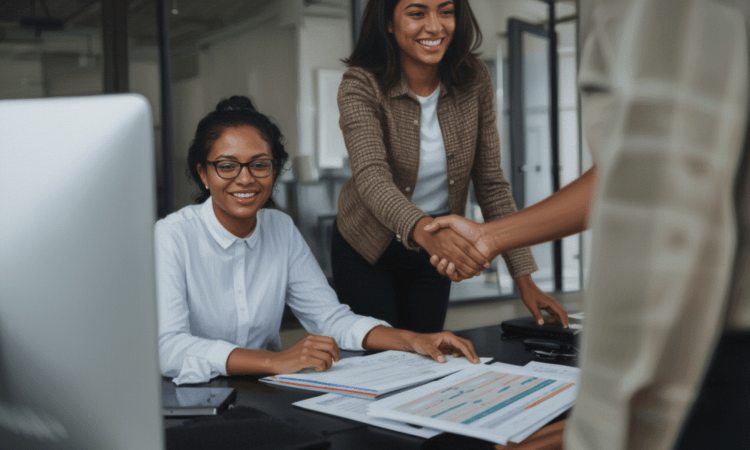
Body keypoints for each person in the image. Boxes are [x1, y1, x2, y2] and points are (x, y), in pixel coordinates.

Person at [425, 0, 750, 449]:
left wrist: (597, 426)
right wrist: (483, 237)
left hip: (712, 347)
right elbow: (638, 168)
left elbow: (662, 199)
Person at [155, 96, 480, 385]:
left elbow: (329, 318)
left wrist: (413, 340)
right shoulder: (172, 236)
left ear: (275, 170)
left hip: (265, 391)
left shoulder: (280, 228)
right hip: (193, 398)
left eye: (259, 165)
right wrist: (275, 361)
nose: (245, 178)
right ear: (203, 174)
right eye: (227, 166)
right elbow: (170, 347)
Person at [331, 0, 569, 333]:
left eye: (446, 11)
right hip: (367, 246)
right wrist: (427, 232)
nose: (435, 26)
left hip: (434, 250)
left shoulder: (474, 79)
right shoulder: (361, 83)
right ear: (388, 22)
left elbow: (490, 183)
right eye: (417, 13)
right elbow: (372, 178)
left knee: (429, 352)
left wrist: (524, 278)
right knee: (383, 357)